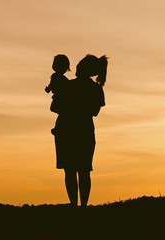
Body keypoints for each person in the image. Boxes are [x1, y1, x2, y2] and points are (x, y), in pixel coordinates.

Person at [52, 54, 108, 208]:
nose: (75, 68)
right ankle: (79, 206)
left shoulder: (73, 86)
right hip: (78, 130)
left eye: (79, 66)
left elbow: (94, 111)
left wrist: (73, 103)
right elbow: (55, 106)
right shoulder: (90, 88)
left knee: (76, 170)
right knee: (79, 170)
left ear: (85, 69)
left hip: (75, 130)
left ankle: (78, 206)